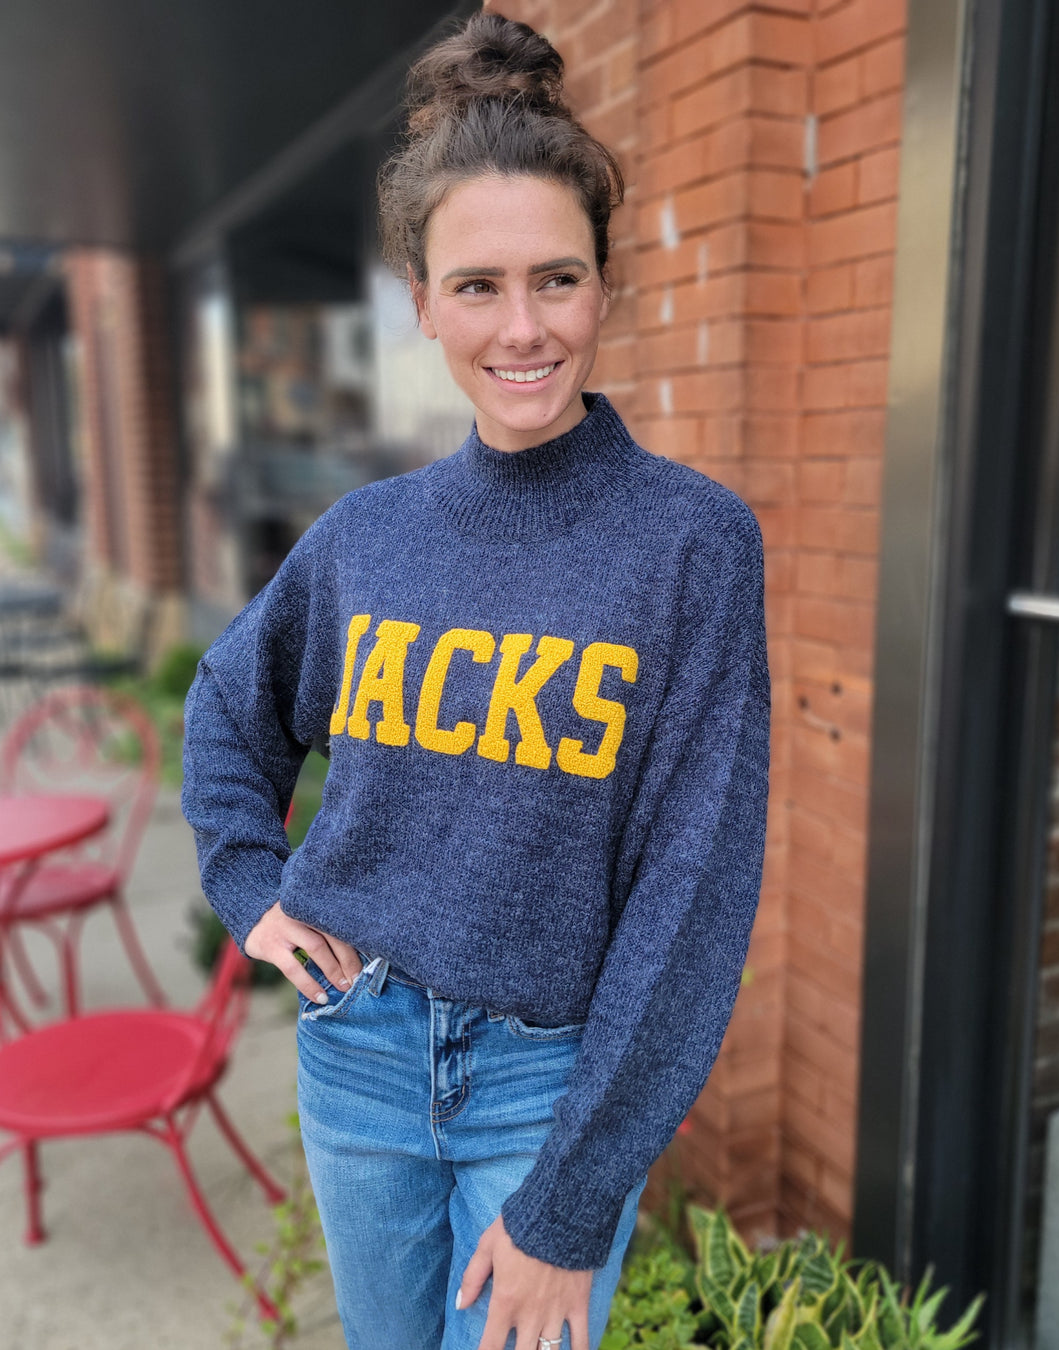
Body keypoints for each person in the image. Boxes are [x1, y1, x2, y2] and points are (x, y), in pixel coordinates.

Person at [180, 11, 770, 1350]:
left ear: (604, 284)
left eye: (557, 279)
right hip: (359, 1054)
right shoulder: (366, 537)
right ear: (420, 300)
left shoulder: (691, 545)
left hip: (546, 1086)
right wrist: (250, 890)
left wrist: (571, 1202)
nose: (522, 327)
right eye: (478, 286)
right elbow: (227, 710)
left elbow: (689, 899)